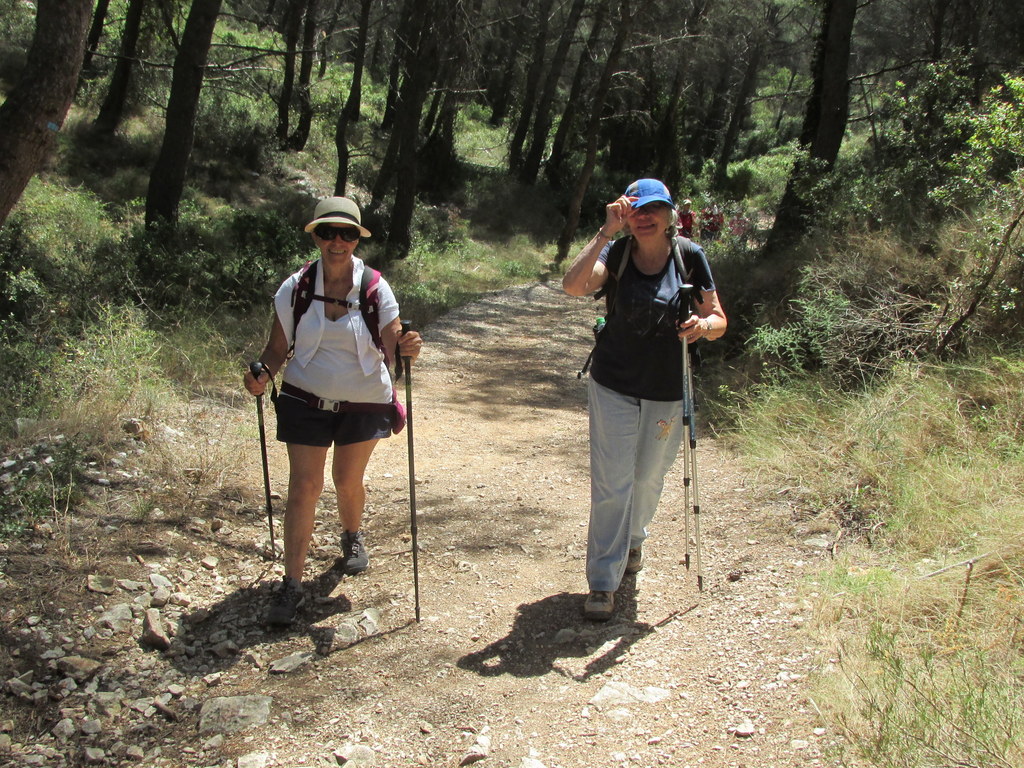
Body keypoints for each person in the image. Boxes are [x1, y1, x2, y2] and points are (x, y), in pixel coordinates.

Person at [243, 196, 423, 627]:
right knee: (304, 487)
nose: (336, 241)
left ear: (357, 239)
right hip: (305, 397)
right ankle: (292, 585)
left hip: (363, 400)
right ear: (316, 237)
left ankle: (352, 535)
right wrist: (263, 372)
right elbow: (276, 348)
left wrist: (409, 347)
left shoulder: (376, 288)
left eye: (346, 233)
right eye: (327, 232)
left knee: (347, 480)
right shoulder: (297, 287)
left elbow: (395, 341)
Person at [562, 179, 727, 621]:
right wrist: (605, 231)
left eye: (653, 208)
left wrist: (702, 328)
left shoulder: (689, 257)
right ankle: (602, 582)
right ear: (625, 214)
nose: (644, 215)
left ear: (670, 214)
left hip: (668, 389)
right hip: (613, 382)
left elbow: (719, 319)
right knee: (613, 483)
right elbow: (573, 286)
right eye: (635, 208)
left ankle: (634, 539)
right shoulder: (616, 254)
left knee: (649, 478)